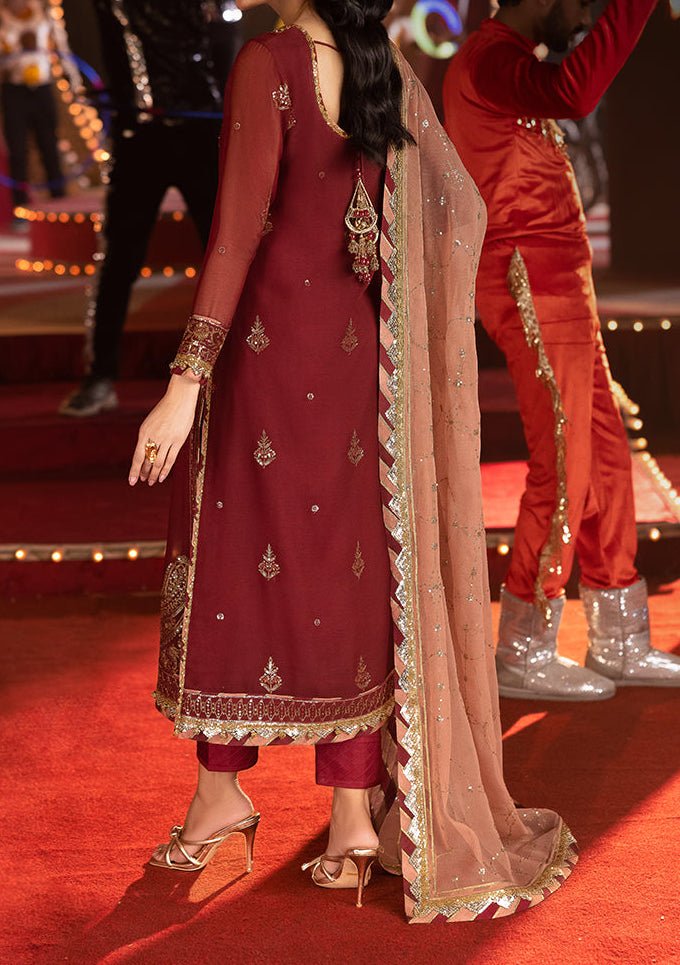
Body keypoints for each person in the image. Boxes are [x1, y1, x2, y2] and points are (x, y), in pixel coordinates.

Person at [130, 0, 578, 922]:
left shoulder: (269, 62)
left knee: (230, 566)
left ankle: (220, 793)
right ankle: (350, 823)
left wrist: (186, 376)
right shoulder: (384, 64)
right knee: (353, 568)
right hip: (356, 364)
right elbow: (429, 215)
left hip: (264, 361)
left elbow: (236, 232)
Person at [443, 0, 680, 701]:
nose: (580, 17)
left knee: (604, 454)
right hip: (528, 282)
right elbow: (574, 93)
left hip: (559, 284)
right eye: (576, 2)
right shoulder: (490, 59)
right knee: (566, 458)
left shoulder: (510, 59)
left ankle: (619, 636)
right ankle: (523, 645)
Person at [59, 0, 225, 417]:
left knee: (224, 253)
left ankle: (235, 373)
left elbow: (225, 42)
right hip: (140, 136)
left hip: (202, 131)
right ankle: (100, 375)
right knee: (119, 259)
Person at [0, 0, 67, 216]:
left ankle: (60, 204)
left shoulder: (44, 15)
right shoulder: (2, 20)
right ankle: (20, 209)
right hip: (14, 90)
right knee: (18, 151)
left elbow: (61, 49)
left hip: (42, 88)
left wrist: (73, 81)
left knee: (50, 146)